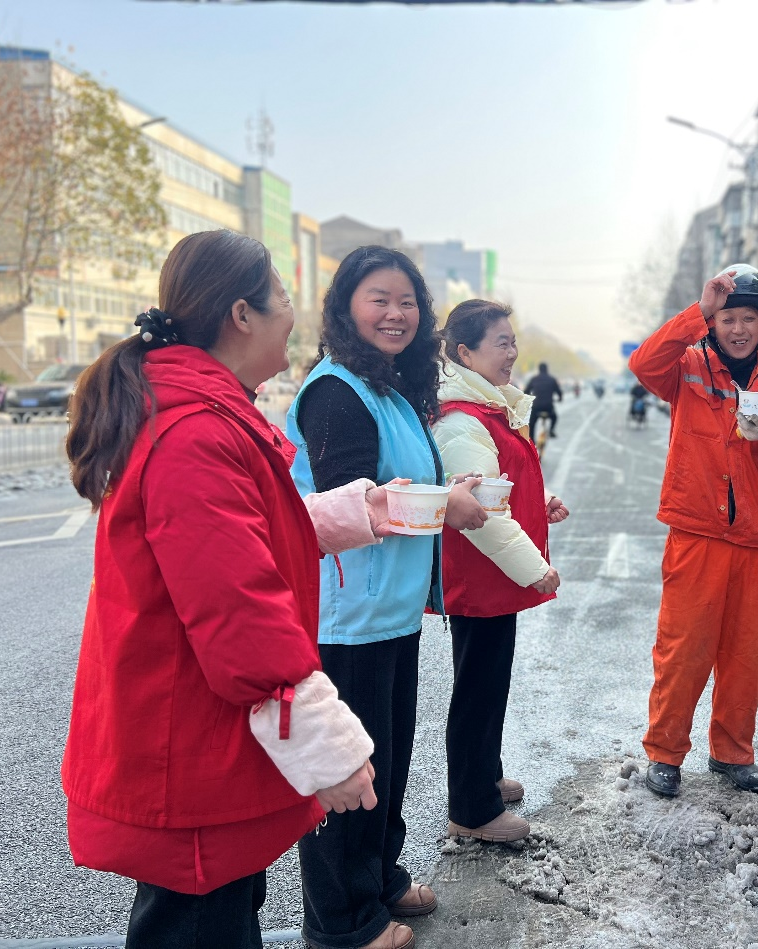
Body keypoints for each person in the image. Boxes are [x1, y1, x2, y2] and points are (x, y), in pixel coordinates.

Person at [61, 230, 380, 949]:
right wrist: (327, 748)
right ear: (242, 314)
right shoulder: (196, 431)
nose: (292, 313)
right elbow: (238, 608)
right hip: (191, 750)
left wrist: (360, 511)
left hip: (196, 740)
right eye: (283, 296)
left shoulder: (198, 412)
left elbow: (236, 535)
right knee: (203, 924)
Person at [285, 246, 489, 949]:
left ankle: (378, 877)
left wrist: (448, 493)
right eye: (379, 299)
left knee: (388, 759)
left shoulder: (389, 388)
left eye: (407, 302)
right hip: (347, 616)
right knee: (350, 771)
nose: (395, 313)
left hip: (391, 612)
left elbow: (399, 486)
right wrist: (444, 506)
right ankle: (340, 920)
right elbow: (352, 502)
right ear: (346, 307)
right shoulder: (336, 390)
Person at [628, 264, 758, 798]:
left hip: (756, 540)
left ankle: (733, 753)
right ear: (713, 322)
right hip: (697, 534)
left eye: (748, 318)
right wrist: (699, 310)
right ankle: (665, 753)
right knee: (683, 650)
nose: (738, 329)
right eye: (728, 318)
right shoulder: (686, 366)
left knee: (745, 656)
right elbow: (643, 363)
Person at [432, 300, 569, 842]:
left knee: (489, 684)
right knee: (478, 691)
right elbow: (483, 516)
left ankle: (484, 777)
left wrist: (542, 501)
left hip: (491, 577)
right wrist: (535, 569)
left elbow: (500, 486)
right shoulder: (463, 421)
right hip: (481, 576)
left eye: (513, 342)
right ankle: (472, 811)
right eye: (501, 343)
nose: (512, 353)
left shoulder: (487, 408)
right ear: (465, 353)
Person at [524, 361, 562, 439]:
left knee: (532, 423)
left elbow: (526, 391)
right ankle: (551, 431)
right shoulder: (552, 379)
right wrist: (560, 398)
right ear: (547, 369)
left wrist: (529, 397)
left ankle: (532, 440)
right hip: (548, 407)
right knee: (554, 417)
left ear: (539, 369)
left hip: (536, 406)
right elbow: (559, 392)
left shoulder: (534, 379)